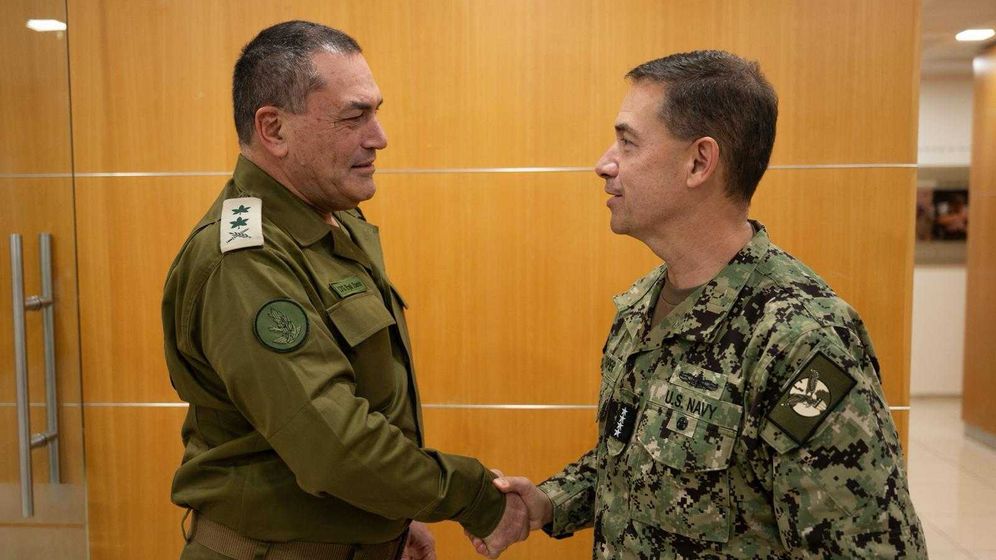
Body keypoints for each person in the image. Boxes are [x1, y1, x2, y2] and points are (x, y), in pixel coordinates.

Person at [479, 51, 927, 558]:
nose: (604, 164)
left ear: (699, 161)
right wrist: (550, 504)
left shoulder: (800, 337)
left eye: (627, 142)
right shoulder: (641, 307)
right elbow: (639, 462)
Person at [162, 21, 528, 560]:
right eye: (354, 116)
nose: (378, 136)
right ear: (274, 129)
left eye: (376, 112)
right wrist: (474, 495)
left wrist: (388, 523)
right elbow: (333, 445)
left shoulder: (332, 220)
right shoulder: (247, 259)